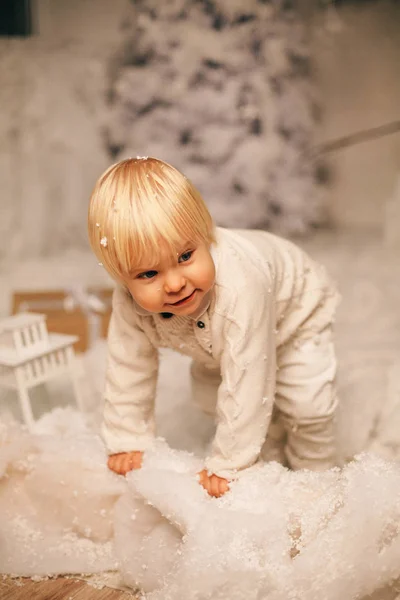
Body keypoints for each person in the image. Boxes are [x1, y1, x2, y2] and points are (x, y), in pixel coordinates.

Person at [88, 157, 341, 498]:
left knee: (307, 404)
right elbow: (127, 364)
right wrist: (126, 437)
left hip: (296, 314)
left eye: (185, 256)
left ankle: (318, 475)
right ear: (120, 276)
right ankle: (268, 445)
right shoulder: (128, 302)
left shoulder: (239, 288)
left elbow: (248, 376)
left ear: (204, 233)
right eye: (149, 274)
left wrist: (230, 463)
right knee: (211, 397)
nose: (175, 283)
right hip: (224, 337)